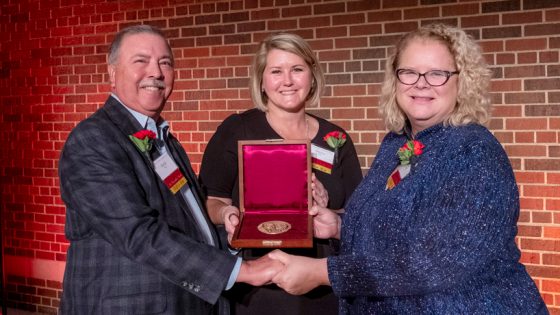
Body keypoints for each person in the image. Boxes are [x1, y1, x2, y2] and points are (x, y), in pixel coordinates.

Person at [267, 24, 549, 314]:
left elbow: (438, 261)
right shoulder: (396, 143)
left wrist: (322, 272)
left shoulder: (474, 150)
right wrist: (340, 227)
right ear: (396, 79)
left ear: (462, 82)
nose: (421, 83)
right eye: (410, 72)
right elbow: (401, 228)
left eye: (437, 73)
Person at [58, 25, 282, 314]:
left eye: (165, 62)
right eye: (141, 61)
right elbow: (137, 233)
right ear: (112, 73)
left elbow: (184, 221)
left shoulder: (164, 141)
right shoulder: (93, 139)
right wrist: (243, 270)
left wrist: (226, 234)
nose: (156, 72)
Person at [199, 33, 363, 314]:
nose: (287, 80)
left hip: (322, 286)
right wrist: (228, 215)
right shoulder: (237, 129)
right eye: (276, 71)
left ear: (312, 76)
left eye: (297, 69)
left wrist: (330, 209)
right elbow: (212, 199)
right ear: (261, 81)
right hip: (258, 285)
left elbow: (359, 214)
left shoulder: (336, 138)